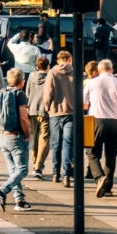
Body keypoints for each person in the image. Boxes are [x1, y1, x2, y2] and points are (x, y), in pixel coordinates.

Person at [84, 59, 117, 198]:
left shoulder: (92, 83)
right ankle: (107, 187)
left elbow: (84, 105)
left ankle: (99, 177)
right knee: (110, 155)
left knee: (91, 152)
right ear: (111, 70)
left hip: (96, 120)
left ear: (99, 70)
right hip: (115, 122)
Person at [0, 74, 32, 211]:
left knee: (13, 170)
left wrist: (0, 130)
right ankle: (2, 190)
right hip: (16, 136)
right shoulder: (20, 94)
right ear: (22, 81)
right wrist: (27, 135)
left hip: (2, 136)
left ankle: (19, 201)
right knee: (22, 169)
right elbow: (24, 118)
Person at [35, 51, 77, 183]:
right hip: (71, 112)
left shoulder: (52, 72)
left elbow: (48, 93)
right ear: (70, 59)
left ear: (58, 60)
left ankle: (56, 173)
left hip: (55, 113)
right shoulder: (75, 72)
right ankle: (66, 174)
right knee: (68, 143)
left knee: (56, 144)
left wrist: (47, 108)